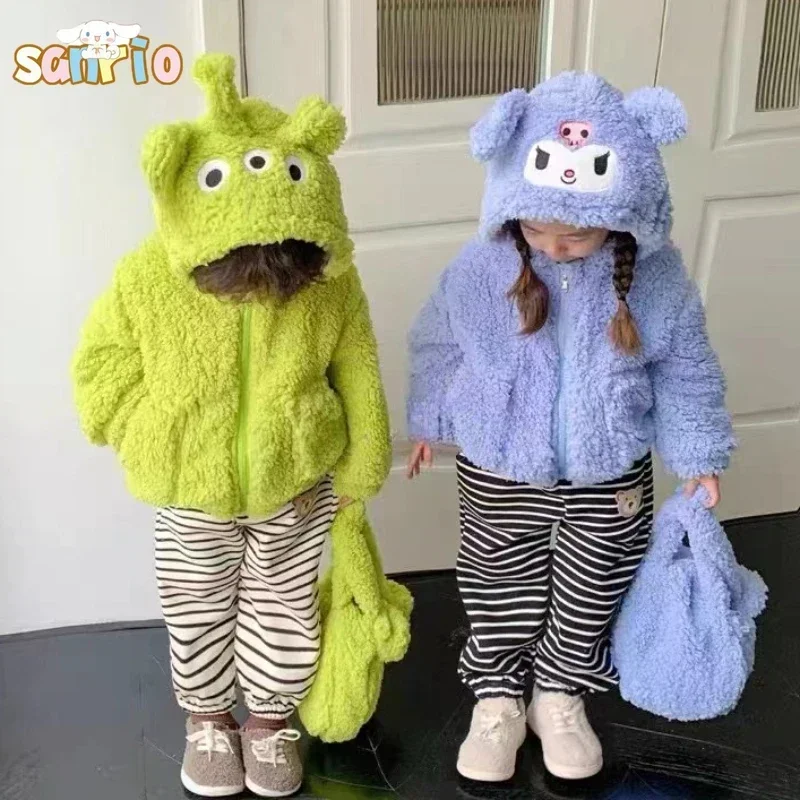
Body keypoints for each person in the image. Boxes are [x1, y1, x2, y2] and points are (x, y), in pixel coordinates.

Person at [71, 54, 391, 798]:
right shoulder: (145, 276)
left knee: (285, 607)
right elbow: (100, 365)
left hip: (296, 483)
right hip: (190, 491)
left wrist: (360, 465)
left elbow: (358, 363)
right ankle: (208, 718)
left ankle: (269, 721)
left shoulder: (328, 281)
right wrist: (146, 429)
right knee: (196, 606)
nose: (258, 292)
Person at [406, 72, 735, 783]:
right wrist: (430, 417)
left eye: (576, 234)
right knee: (499, 581)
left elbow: (687, 368)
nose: (554, 247)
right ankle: (498, 697)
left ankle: (559, 693)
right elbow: (438, 341)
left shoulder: (657, 280)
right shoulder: (480, 269)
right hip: (500, 465)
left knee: (595, 582)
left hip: (609, 469)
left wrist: (699, 452)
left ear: (622, 212)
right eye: (537, 230)